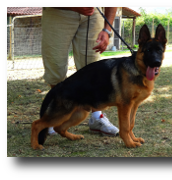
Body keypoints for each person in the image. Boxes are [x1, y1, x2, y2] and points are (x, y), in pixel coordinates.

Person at [42, 7, 119, 136]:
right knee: (56, 67)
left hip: (94, 14)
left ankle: (97, 117)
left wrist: (107, 29)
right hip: (58, 12)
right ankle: (55, 116)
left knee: (93, 69)